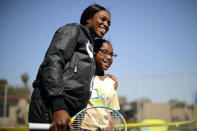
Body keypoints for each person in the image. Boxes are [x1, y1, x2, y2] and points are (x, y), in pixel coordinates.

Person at [28, 4, 111, 131]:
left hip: (68, 113)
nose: (106, 24)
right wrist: (59, 106)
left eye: (109, 23)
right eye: (103, 19)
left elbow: (79, 74)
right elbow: (53, 62)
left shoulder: (89, 44)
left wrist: (108, 78)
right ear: (88, 18)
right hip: (51, 108)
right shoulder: (73, 30)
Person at [80, 39, 120, 130]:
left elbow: (109, 115)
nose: (109, 57)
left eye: (111, 54)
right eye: (104, 52)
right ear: (92, 53)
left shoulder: (111, 83)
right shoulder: (81, 78)